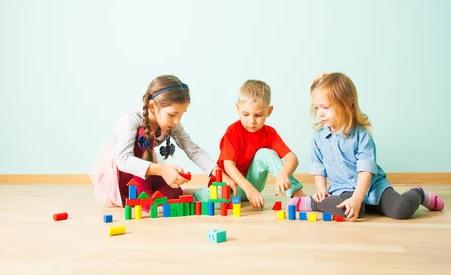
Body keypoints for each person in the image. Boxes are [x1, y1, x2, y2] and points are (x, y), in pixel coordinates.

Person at [288, 72, 445, 221]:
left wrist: (357, 198)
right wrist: (321, 190)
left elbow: (365, 170)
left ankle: (419, 193)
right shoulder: (318, 137)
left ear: (347, 104)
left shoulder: (360, 134)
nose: (320, 113)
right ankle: (314, 202)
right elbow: (318, 167)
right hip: (343, 189)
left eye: (325, 107)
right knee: (346, 210)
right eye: (317, 108)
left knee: (401, 210)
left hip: (373, 187)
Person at [90, 74, 229, 207]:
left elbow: (192, 149)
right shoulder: (130, 119)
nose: (177, 121)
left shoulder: (171, 123)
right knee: (142, 135)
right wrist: (162, 169)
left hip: (146, 167)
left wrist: (218, 173)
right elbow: (124, 160)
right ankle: (146, 201)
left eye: (181, 115)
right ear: (152, 106)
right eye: (173, 114)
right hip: (121, 173)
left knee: (172, 193)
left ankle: (183, 195)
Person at [194, 79, 306, 209]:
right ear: (238, 108)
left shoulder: (269, 133)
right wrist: (248, 189)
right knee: (209, 201)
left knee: (265, 154)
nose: (251, 121)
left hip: (253, 185)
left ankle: (297, 194)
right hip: (230, 187)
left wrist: (283, 175)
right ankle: (193, 193)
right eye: (245, 114)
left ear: (269, 111)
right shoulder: (233, 131)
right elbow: (229, 165)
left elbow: (292, 159)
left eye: (258, 115)